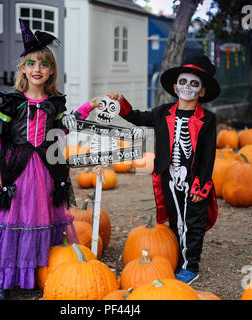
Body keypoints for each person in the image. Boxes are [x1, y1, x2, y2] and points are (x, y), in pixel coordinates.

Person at [0, 19, 100, 300]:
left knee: (37, 219)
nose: (37, 69)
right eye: (31, 64)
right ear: (23, 69)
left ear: (51, 69)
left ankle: (33, 274)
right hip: (14, 169)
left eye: (43, 64)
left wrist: (88, 107)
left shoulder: (54, 103)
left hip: (43, 169)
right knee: (9, 219)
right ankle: (2, 284)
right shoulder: (12, 101)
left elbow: (62, 128)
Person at [106, 54, 220, 284]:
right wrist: (120, 104)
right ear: (175, 86)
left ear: (202, 91)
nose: (188, 87)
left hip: (194, 180)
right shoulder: (163, 113)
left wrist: (202, 184)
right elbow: (137, 117)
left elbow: (208, 156)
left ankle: (191, 266)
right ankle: (179, 258)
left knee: (193, 222)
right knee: (175, 219)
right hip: (168, 177)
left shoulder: (207, 119)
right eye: (184, 82)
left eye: (194, 84)